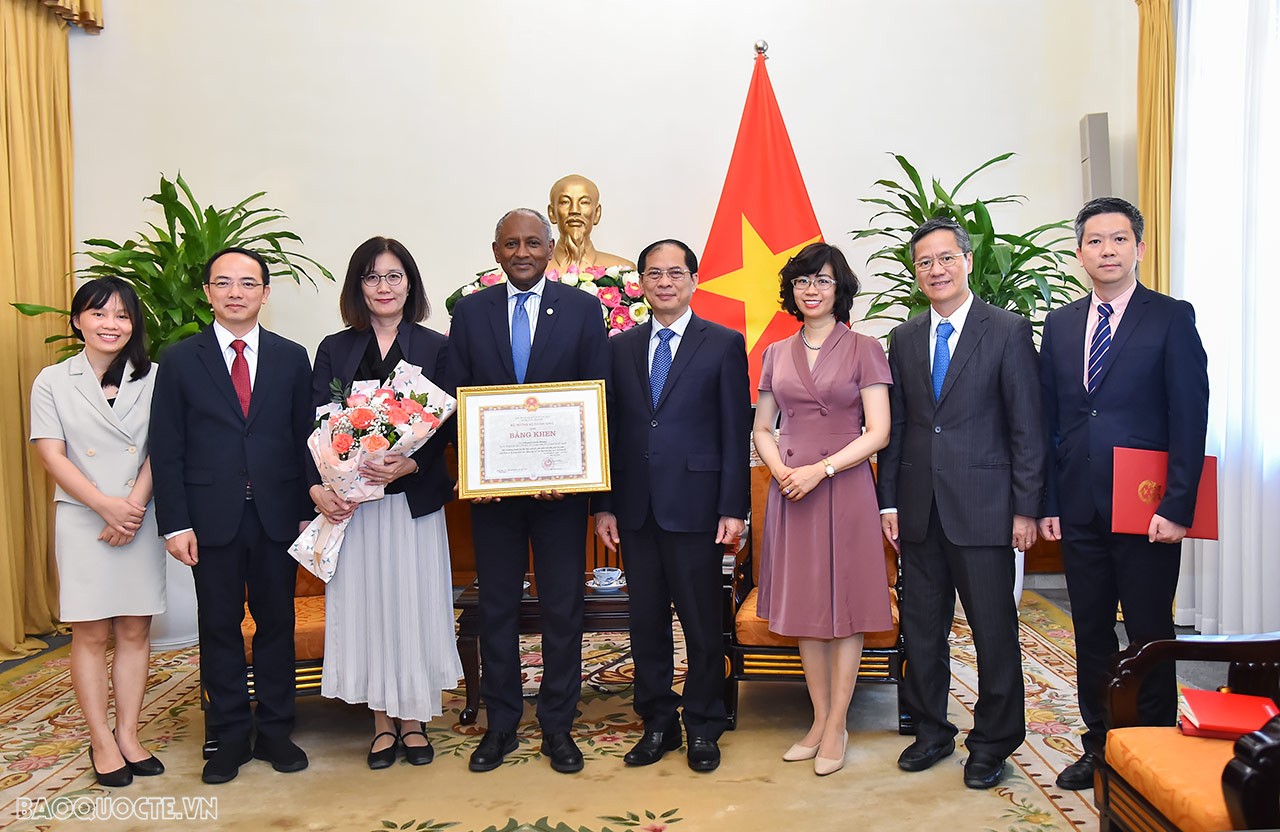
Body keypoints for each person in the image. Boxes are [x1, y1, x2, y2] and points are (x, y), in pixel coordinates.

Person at [1039, 197, 1209, 791]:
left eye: (1117, 240)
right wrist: (1049, 502)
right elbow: (1051, 420)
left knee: (1148, 629)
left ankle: (1156, 746)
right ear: (1078, 251)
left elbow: (1190, 417)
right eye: (1094, 241)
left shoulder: (1170, 317)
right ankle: (1100, 742)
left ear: (1139, 246)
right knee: (1088, 628)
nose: (1106, 250)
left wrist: (1178, 505)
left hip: (1147, 509)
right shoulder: (1059, 325)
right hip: (1079, 506)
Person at [877, 218, 1044, 789]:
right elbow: (897, 429)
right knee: (922, 630)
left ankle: (993, 742)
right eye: (924, 262)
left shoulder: (1007, 330)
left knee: (993, 630)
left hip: (985, 507)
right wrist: (889, 504)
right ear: (915, 272)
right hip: (920, 509)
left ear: (967, 261)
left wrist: (1025, 508)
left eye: (946, 258)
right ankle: (930, 731)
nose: (936, 270)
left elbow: (1027, 425)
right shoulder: (903, 338)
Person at [446, 209, 612, 774]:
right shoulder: (469, 314)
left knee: (563, 608)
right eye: (511, 243)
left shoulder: (585, 310)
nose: (522, 252)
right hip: (492, 498)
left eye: (533, 243)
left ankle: (559, 727)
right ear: (496, 251)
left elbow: (599, 394)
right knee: (498, 608)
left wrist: (571, 471)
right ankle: (500, 725)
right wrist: (474, 471)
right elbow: (456, 400)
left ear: (549, 250)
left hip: (561, 497)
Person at [150, 247, 314, 784]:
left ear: (266, 293)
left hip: (276, 515)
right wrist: (175, 523)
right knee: (218, 627)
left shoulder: (292, 357)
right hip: (209, 518)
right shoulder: (179, 359)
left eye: (248, 283)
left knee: (276, 625)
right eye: (224, 282)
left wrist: (304, 509)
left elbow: (302, 440)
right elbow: (167, 447)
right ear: (208, 293)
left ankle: (275, 731)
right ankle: (226, 735)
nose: (236, 292)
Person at [593, 239, 750, 773]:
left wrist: (734, 507)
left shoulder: (724, 343)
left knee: (704, 625)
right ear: (639, 282)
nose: (665, 281)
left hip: (698, 507)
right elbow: (608, 431)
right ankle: (657, 721)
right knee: (646, 624)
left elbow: (735, 429)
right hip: (635, 510)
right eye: (654, 273)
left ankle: (704, 724)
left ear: (694, 280)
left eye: (675, 272)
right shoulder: (620, 347)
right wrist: (604, 504)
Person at [308, 237, 463, 770]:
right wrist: (336, 472)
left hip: (411, 503)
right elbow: (317, 421)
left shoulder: (435, 346)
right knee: (370, 608)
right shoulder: (335, 348)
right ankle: (380, 722)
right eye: (372, 277)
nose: (383, 286)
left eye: (394, 276)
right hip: (356, 507)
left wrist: (412, 463)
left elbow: (450, 424)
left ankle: (415, 719)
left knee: (414, 603)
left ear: (410, 284)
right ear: (358, 286)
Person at [751, 242, 893, 776]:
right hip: (791, 489)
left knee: (847, 606)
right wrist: (781, 470)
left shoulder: (864, 347)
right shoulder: (775, 353)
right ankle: (817, 719)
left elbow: (878, 431)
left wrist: (822, 469)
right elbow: (763, 428)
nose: (812, 289)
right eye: (804, 281)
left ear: (841, 290)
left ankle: (838, 724)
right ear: (791, 290)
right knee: (809, 609)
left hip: (844, 485)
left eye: (824, 281)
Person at [29, 278, 166, 788]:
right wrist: (106, 506)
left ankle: (128, 734)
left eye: (122, 316)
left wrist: (130, 507)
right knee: (89, 631)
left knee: (134, 628)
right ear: (77, 320)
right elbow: (50, 453)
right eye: (99, 313)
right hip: (84, 517)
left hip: (141, 512)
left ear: (134, 326)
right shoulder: (52, 380)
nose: (111, 325)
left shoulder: (154, 378)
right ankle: (101, 739)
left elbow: (162, 447)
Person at [546, 174, 635, 275]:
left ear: (597, 213)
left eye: (584, 202)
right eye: (565, 202)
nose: (574, 210)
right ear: (552, 213)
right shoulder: (537, 272)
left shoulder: (622, 271)